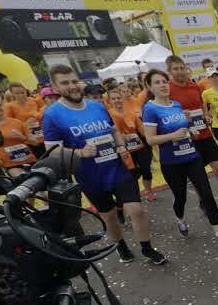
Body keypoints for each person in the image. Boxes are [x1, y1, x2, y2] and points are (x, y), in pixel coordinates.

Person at [42, 64, 167, 265]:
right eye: (65, 83)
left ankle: (147, 248)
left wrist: (121, 146)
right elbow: (53, 150)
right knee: (109, 216)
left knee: (136, 210)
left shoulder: (97, 106)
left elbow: (114, 131)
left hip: (116, 168)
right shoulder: (52, 115)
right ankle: (121, 247)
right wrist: (80, 152)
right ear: (55, 87)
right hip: (89, 175)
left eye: (74, 81)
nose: (72, 86)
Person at [142, 69, 218, 246]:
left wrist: (190, 131)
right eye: (157, 82)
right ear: (149, 86)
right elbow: (150, 139)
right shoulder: (150, 109)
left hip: (191, 156)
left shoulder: (176, 105)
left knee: (206, 192)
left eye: (164, 81)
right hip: (171, 162)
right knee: (181, 197)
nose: (162, 85)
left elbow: (183, 127)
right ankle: (180, 217)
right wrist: (172, 136)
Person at [166, 55, 218, 218]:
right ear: (169, 71)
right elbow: (165, 112)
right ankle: (203, 201)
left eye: (182, 67)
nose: (180, 71)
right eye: (175, 69)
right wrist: (180, 115)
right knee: (198, 177)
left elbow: (202, 107)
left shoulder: (195, 87)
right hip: (186, 138)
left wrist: (206, 116)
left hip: (204, 134)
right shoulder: (168, 89)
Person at [106, 87, 155, 201]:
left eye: (118, 98)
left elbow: (142, 130)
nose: (117, 100)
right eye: (113, 99)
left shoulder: (131, 113)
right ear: (109, 101)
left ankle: (148, 191)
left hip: (139, 146)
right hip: (124, 150)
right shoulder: (108, 115)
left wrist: (152, 136)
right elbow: (108, 133)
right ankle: (135, 197)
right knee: (131, 175)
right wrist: (120, 137)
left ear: (122, 99)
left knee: (146, 170)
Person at [0, 92, 37, 177]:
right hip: (10, 164)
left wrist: (22, 137)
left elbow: (35, 143)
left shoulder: (17, 122)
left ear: (4, 105)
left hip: (29, 160)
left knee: (40, 183)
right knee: (24, 181)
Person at [4, 82, 45, 157]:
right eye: (17, 93)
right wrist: (24, 124)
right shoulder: (9, 106)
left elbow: (44, 112)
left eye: (23, 92)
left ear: (26, 91)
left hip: (42, 134)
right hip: (28, 138)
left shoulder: (34, 100)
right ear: (12, 94)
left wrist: (36, 116)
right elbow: (9, 123)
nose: (21, 95)